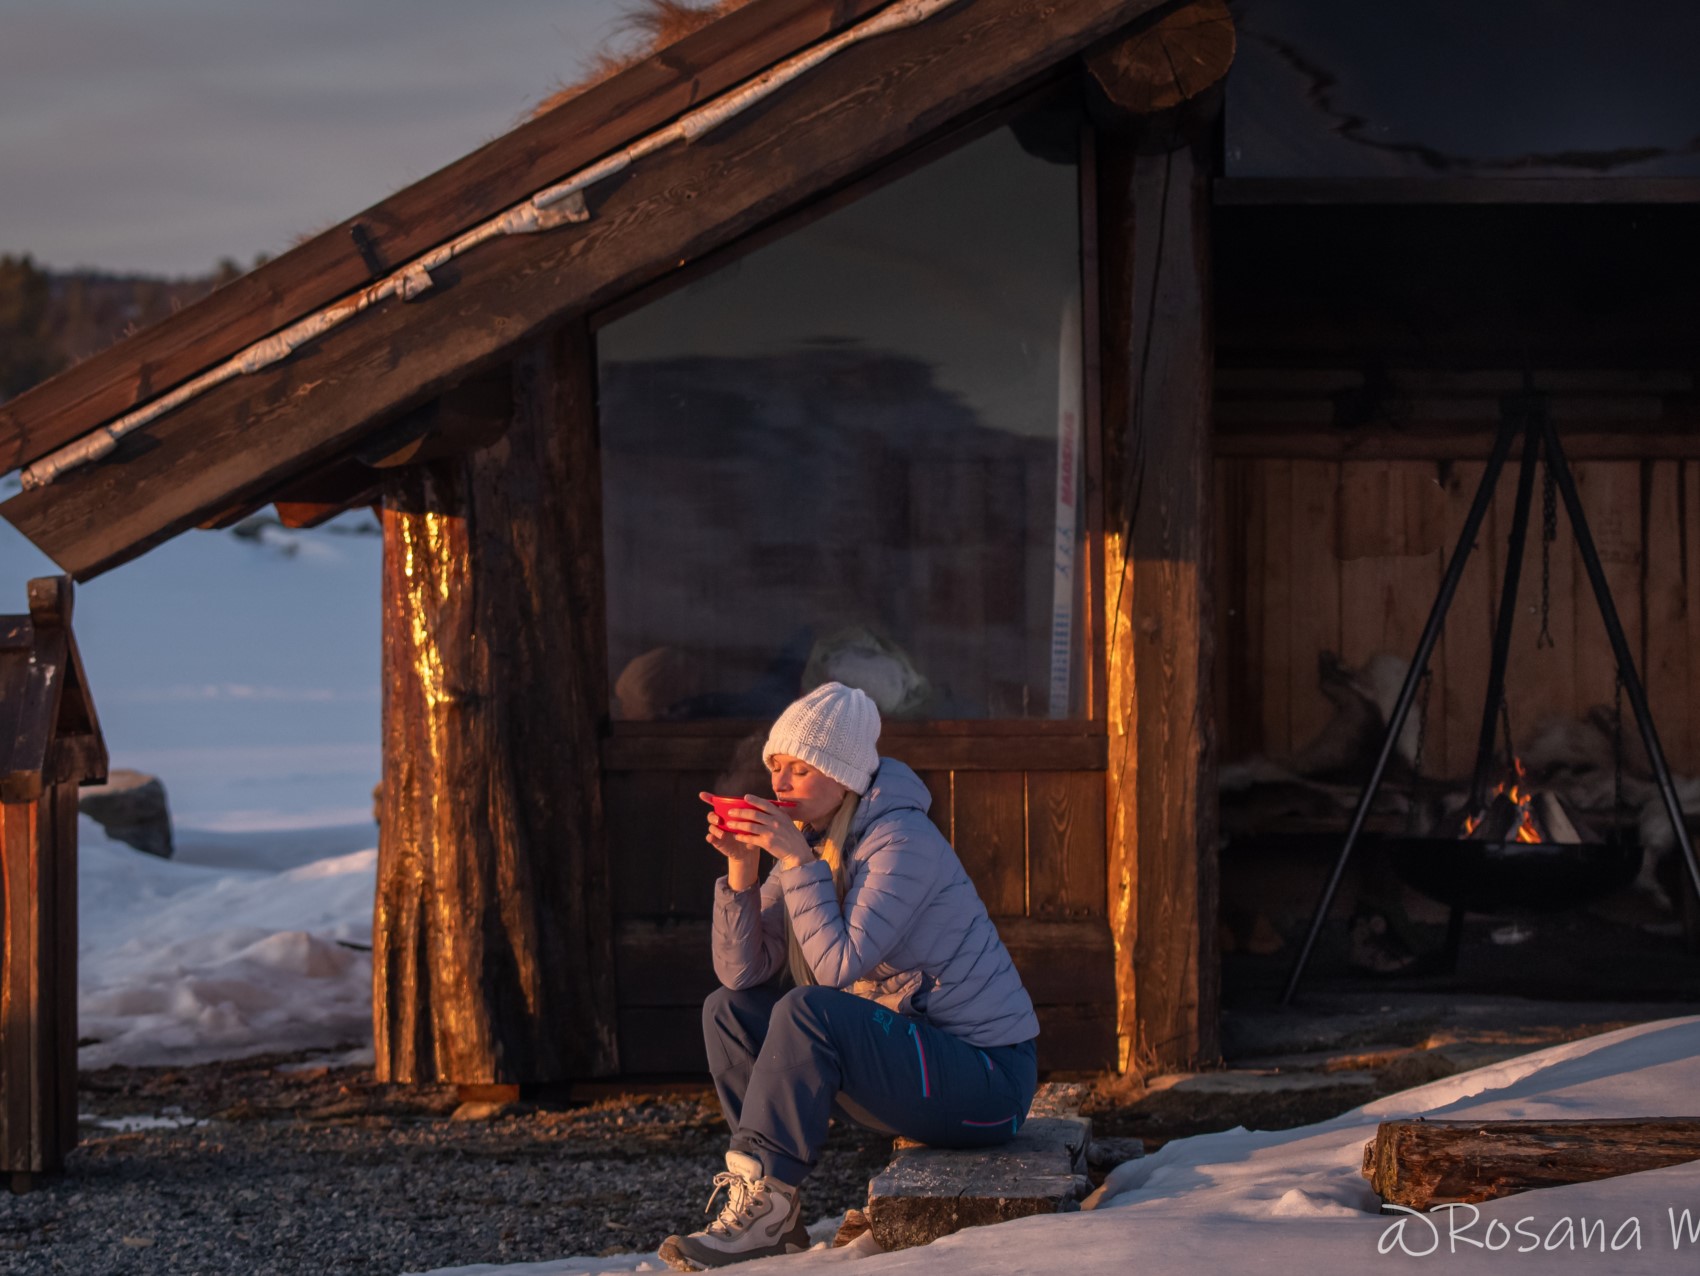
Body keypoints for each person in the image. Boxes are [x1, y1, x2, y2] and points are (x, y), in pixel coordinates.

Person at [659, 682, 1040, 1272]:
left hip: (988, 1083)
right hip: (915, 1067)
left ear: (845, 776)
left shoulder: (902, 841)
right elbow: (740, 974)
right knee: (727, 1011)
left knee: (807, 1009)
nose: (781, 783)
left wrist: (796, 863)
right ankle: (770, 1205)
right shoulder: (815, 846)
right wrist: (742, 869)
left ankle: (766, 1203)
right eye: (776, 766)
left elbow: (838, 967)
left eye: (801, 769)